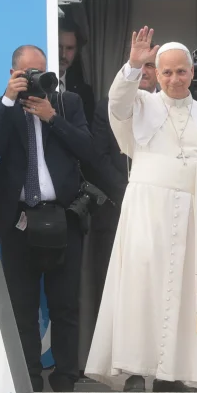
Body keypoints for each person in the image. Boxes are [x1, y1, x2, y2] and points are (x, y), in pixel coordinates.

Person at [84, 27, 197, 393]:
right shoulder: (141, 105)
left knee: (185, 293)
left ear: (192, 72)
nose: (175, 79)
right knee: (140, 287)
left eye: (181, 71)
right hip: (146, 212)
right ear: (156, 75)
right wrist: (133, 64)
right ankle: (134, 369)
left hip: (192, 218)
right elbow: (117, 102)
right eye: (167, 72)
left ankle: (173, 373)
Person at [0, 44, 94, 393]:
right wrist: (8, 100)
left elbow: (86, 148)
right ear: (13, 74)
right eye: (28, 73)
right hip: (18, 219)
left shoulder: (67, 103)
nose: (35, 79)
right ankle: (29, 378)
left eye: (41, 71)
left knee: (65, 303)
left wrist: (52, 118)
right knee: (22, 304)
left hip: (64, 215)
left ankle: (66, 376)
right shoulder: (1, 107)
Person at [82, 55, 159, 312]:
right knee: (111, 291)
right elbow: (97, 157)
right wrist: (130, 193)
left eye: (151, 66)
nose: (144, 72)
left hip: (158, 213)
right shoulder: (107, 106)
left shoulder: (170, 108)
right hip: (115, 210)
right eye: (139, 66)